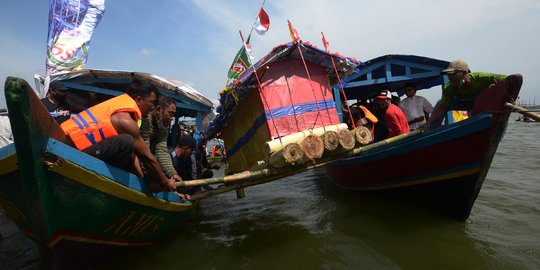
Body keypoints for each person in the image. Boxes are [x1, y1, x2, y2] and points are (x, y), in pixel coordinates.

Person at [60, 77, 177, 193]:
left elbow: (152, 152)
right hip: (70, 150)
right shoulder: (125, 120)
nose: (152, 107)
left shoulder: (125, 106)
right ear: (139, 100)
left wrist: (167, 175)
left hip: (76, 146)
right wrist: (165, 182)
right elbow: (146, 156)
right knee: (126, 141)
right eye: (151, 102)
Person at [420, 60, 507, 130]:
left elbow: (515, 79)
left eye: (453, 73)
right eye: (448, 74)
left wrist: (497, 88)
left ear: (465, 72)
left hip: (482, 103)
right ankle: (432, 130)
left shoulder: (483, 78)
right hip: (465, 104)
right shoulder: (449, 88)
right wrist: (428, 122)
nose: (450, 77)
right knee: (440, 103)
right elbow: (442, 108)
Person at [140, 96, 183, 183]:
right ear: (158, 110)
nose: (171, 118)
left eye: (173, 115)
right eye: (170, 113)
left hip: (146, 156)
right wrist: (151, 177)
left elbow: (162, 151)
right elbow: (144, 150)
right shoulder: (145, 119)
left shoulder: (163, 126)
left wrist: (172, 173)